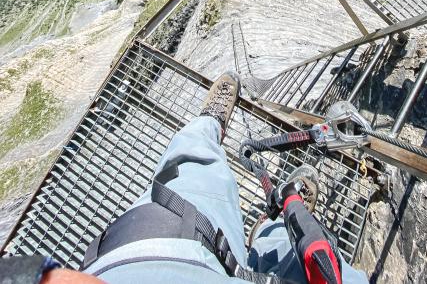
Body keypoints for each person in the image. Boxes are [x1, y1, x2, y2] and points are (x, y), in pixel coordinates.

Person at [1, 73, 369, 284]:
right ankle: (267, 226)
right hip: (170, 251)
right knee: (194, 167)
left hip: (154, 254)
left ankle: (210, 124)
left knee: (192, 168)